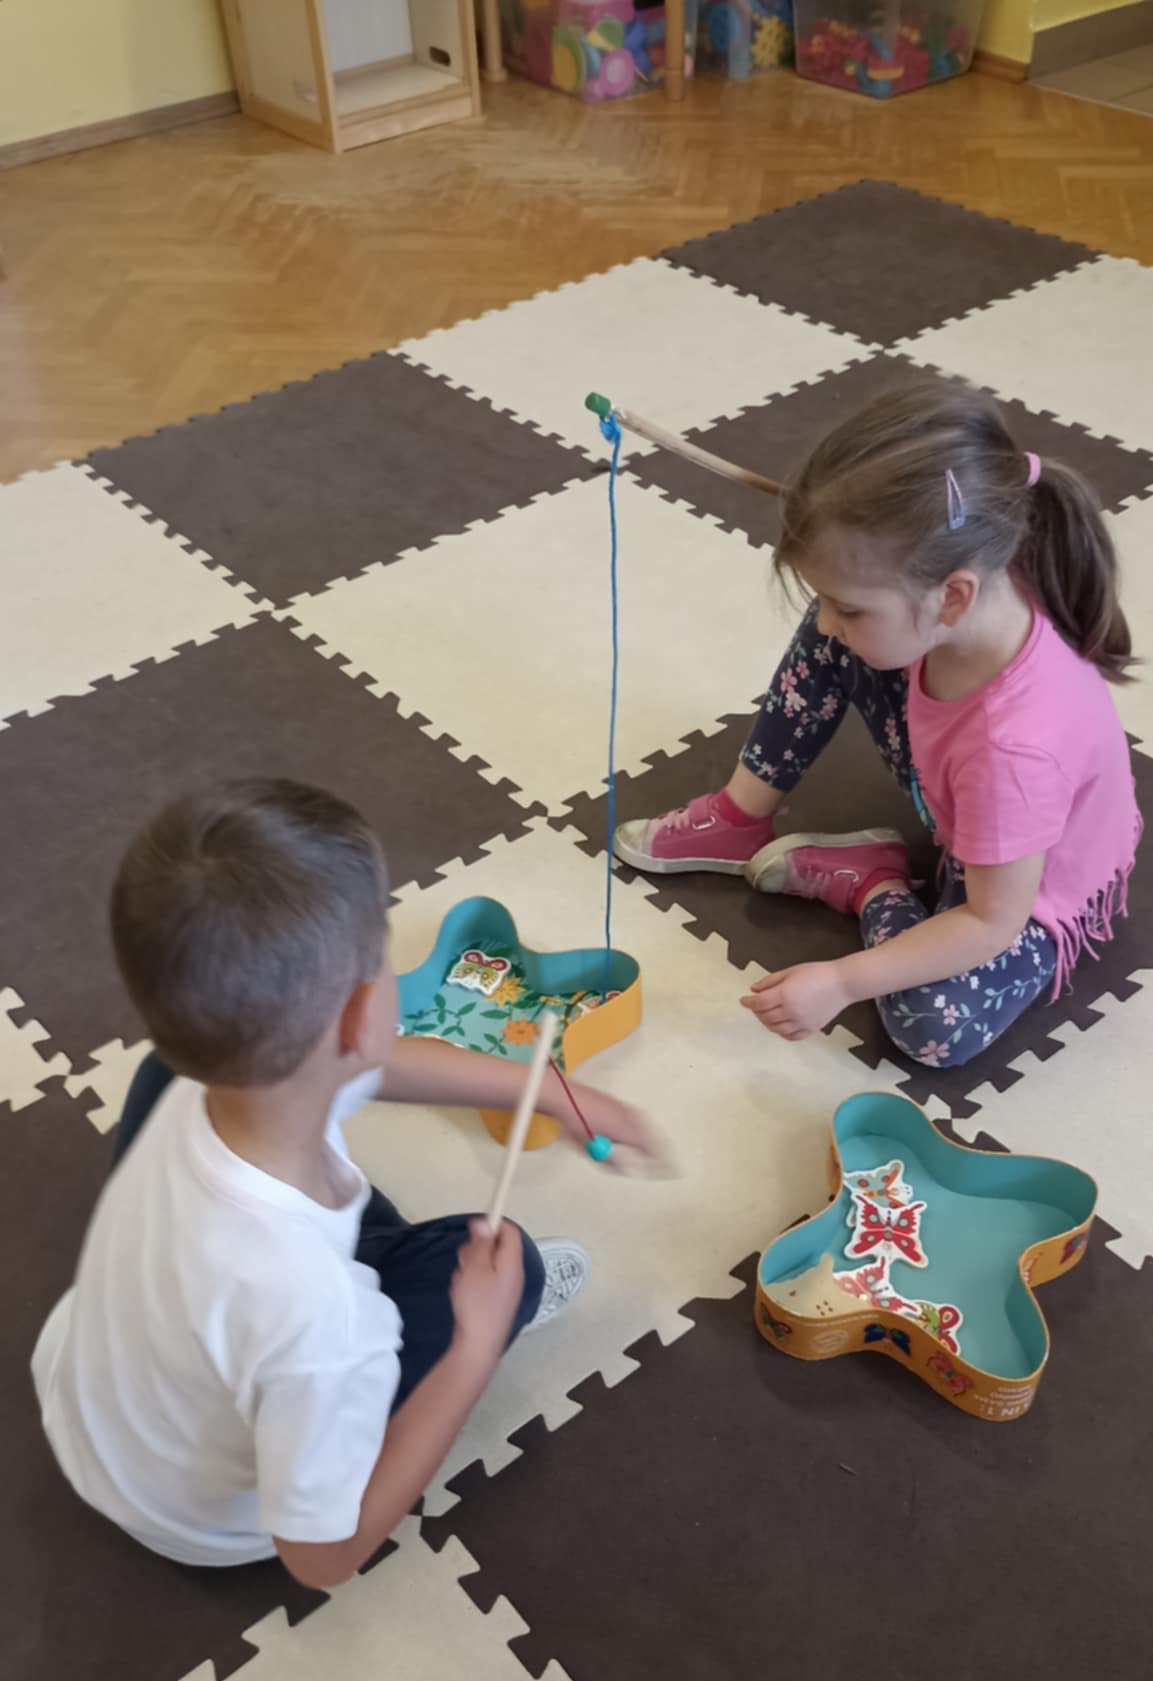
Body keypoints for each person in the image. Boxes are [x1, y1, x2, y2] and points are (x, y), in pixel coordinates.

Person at [32, 780, 653, 1589]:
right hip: (210, 1519)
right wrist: (472, 1349)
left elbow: (370, 1062)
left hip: (95, 1409)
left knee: (340, 1212)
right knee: (508, 1266)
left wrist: (535, 1090)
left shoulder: (200, 1073)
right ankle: (482, 1316)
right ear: (363, 1016)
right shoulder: (314, 1312)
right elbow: (320, 1558)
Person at [616, 385, 1141, 1070]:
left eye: (848, 606)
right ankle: (739, 816)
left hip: (1023, 891)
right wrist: (848, 592)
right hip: (968, 800)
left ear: (953, 597)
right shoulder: (978, 563)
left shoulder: (1012, 751)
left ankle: (876, 884)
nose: (826, 619)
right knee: (840, 636)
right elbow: (870, 585)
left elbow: (989, 922)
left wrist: (840, 980)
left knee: (932, 1029)